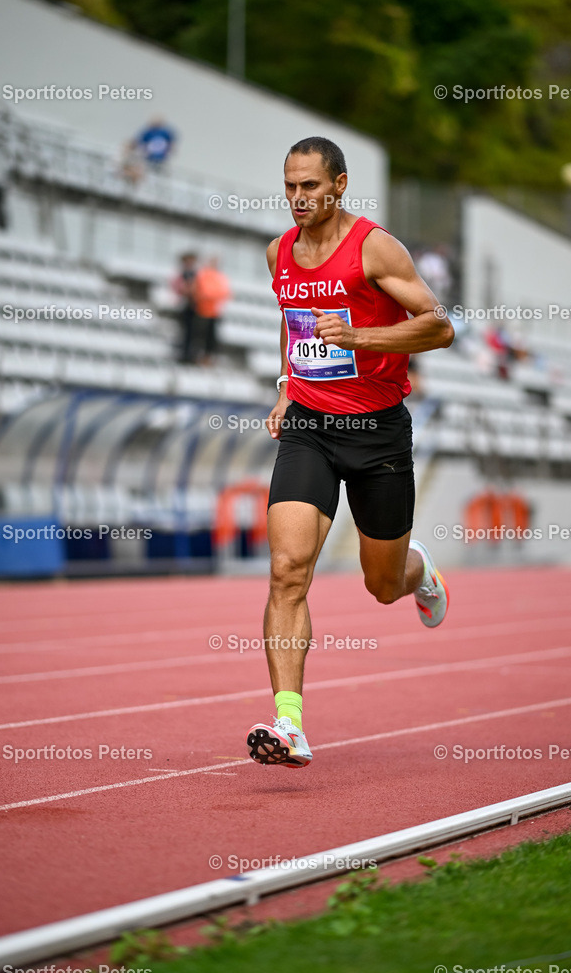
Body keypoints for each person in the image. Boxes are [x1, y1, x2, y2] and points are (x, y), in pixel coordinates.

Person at [246, 136, 454, 769]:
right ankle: (291, 725)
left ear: (338, 185)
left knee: (381, 585)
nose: (298, 198)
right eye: (289, 186)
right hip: (309, 425)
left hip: (378, 431)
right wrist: (287, 386)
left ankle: (418, 570)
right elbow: (292, 318)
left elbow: (440, 326)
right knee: (287, 569)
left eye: (310, 186)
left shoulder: (374, 247)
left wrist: (360, 334)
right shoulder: (278, 250)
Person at [194, 257, 231, 363]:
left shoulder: (219, 276)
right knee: (200, 335)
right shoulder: (204, 274)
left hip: (214, 311)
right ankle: (199, 356)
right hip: (202, 310)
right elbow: (204, 291)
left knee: (211, 337)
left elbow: (224, 292)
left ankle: (207, 357)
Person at [170, 253, 198, 364]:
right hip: (184, 306)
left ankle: (190, 354)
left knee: (193, 332)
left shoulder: (196, 275)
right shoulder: (180, 275)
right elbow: (178, 289)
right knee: (184, 331)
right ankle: (183, 353)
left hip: (194, 307)